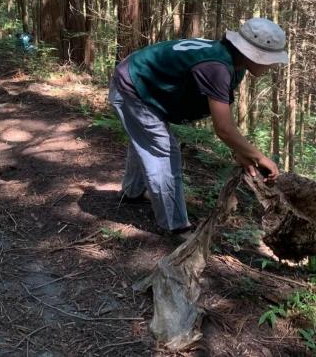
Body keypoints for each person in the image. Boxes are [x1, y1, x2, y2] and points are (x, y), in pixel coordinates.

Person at [108, 17, 288, 236]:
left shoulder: (232, 65)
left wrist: (240, 152)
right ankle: (175, 227)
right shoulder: (218, 68)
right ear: (253, 53)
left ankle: (132, 193)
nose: (272, 65)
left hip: (143, 83)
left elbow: (223, 118)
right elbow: (223, 128)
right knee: (163, 152)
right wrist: (260, 157)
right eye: (270, 59)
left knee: (147, 142)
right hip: (133, 86)